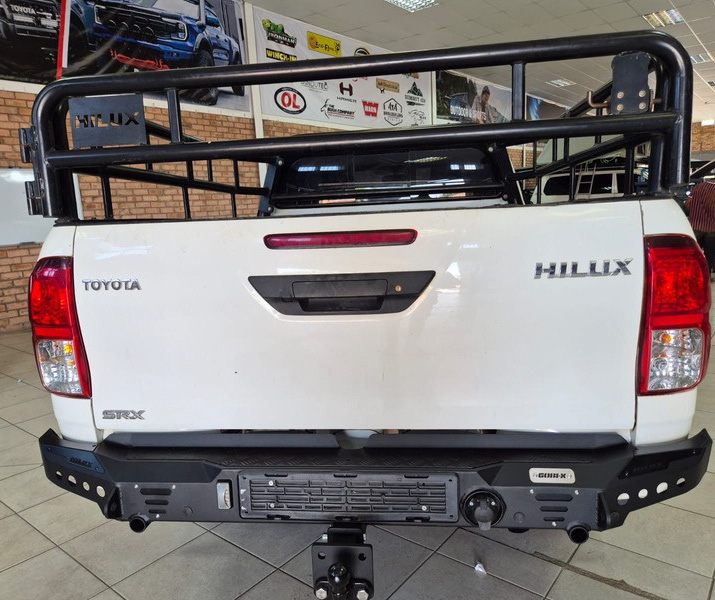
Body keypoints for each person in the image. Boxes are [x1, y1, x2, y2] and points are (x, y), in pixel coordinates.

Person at [687, 180, 715, 277]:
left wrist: (693, 213)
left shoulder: (698, 187)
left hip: (695, 226)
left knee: (694, 253)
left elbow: (688, 203)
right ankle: (706, 275)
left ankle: (693, 274)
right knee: (710, 254)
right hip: (711, 228)